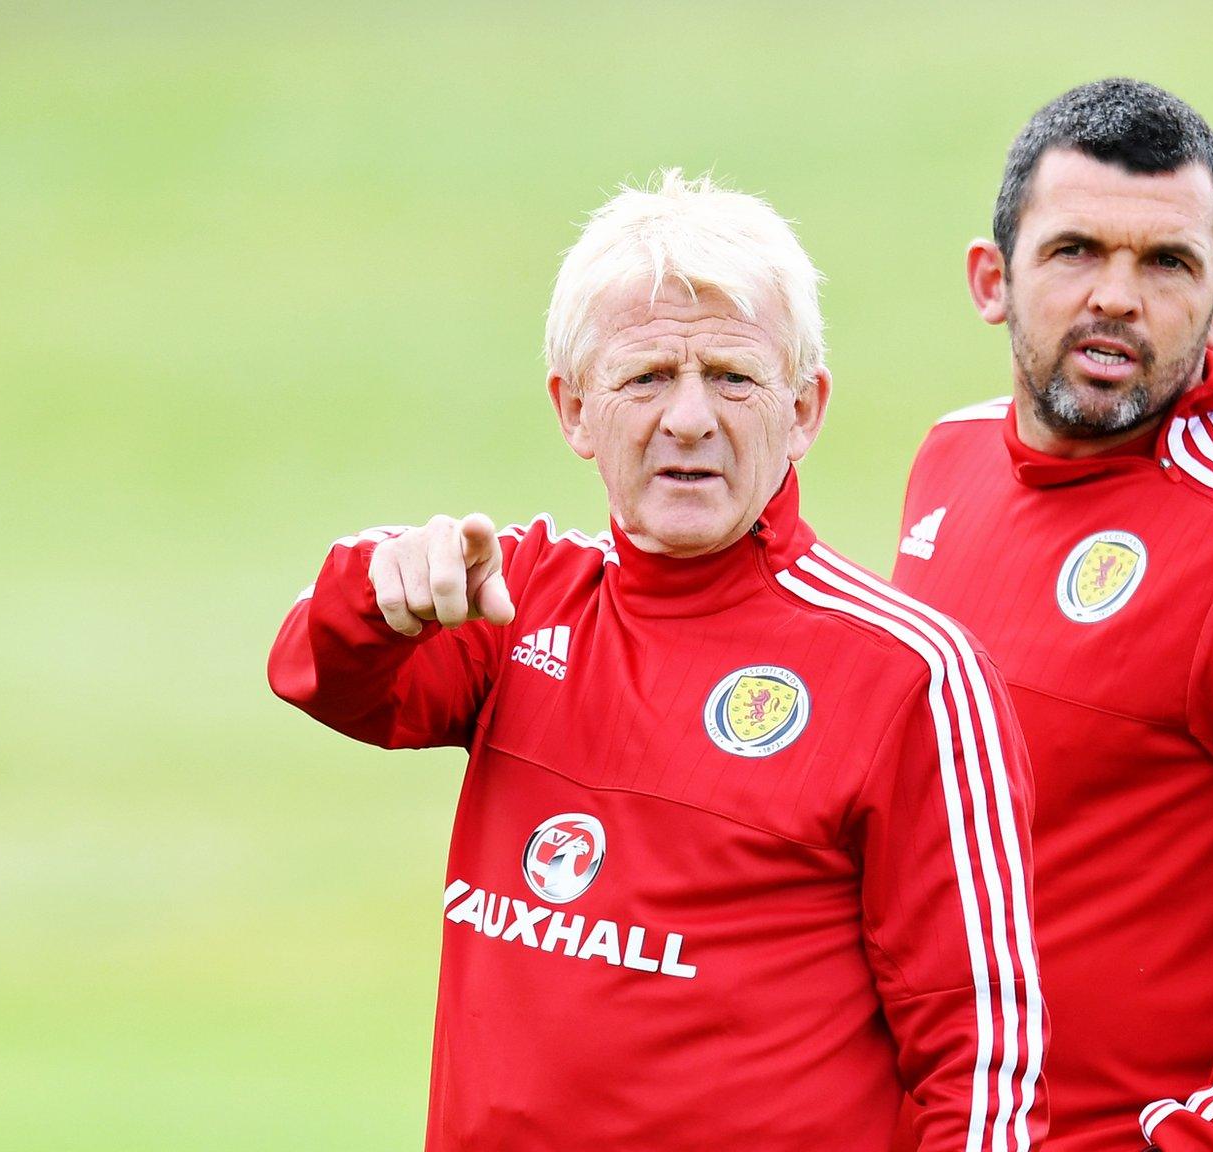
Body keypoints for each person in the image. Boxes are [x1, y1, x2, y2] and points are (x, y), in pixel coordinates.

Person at [269, 170, 1047, 1151]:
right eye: (644, 378)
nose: (687, 419)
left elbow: (981, 1063)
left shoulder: (912, 675)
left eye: (731, 375)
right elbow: (323, 676)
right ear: (573, 411)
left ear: (803, 409)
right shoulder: (516, 599)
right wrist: (379, 589)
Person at [892, 78, 1213, 1151]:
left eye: (1165, 263)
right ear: (990, 279)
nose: (1115, 298)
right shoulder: (946, 461)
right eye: (1074, 250)